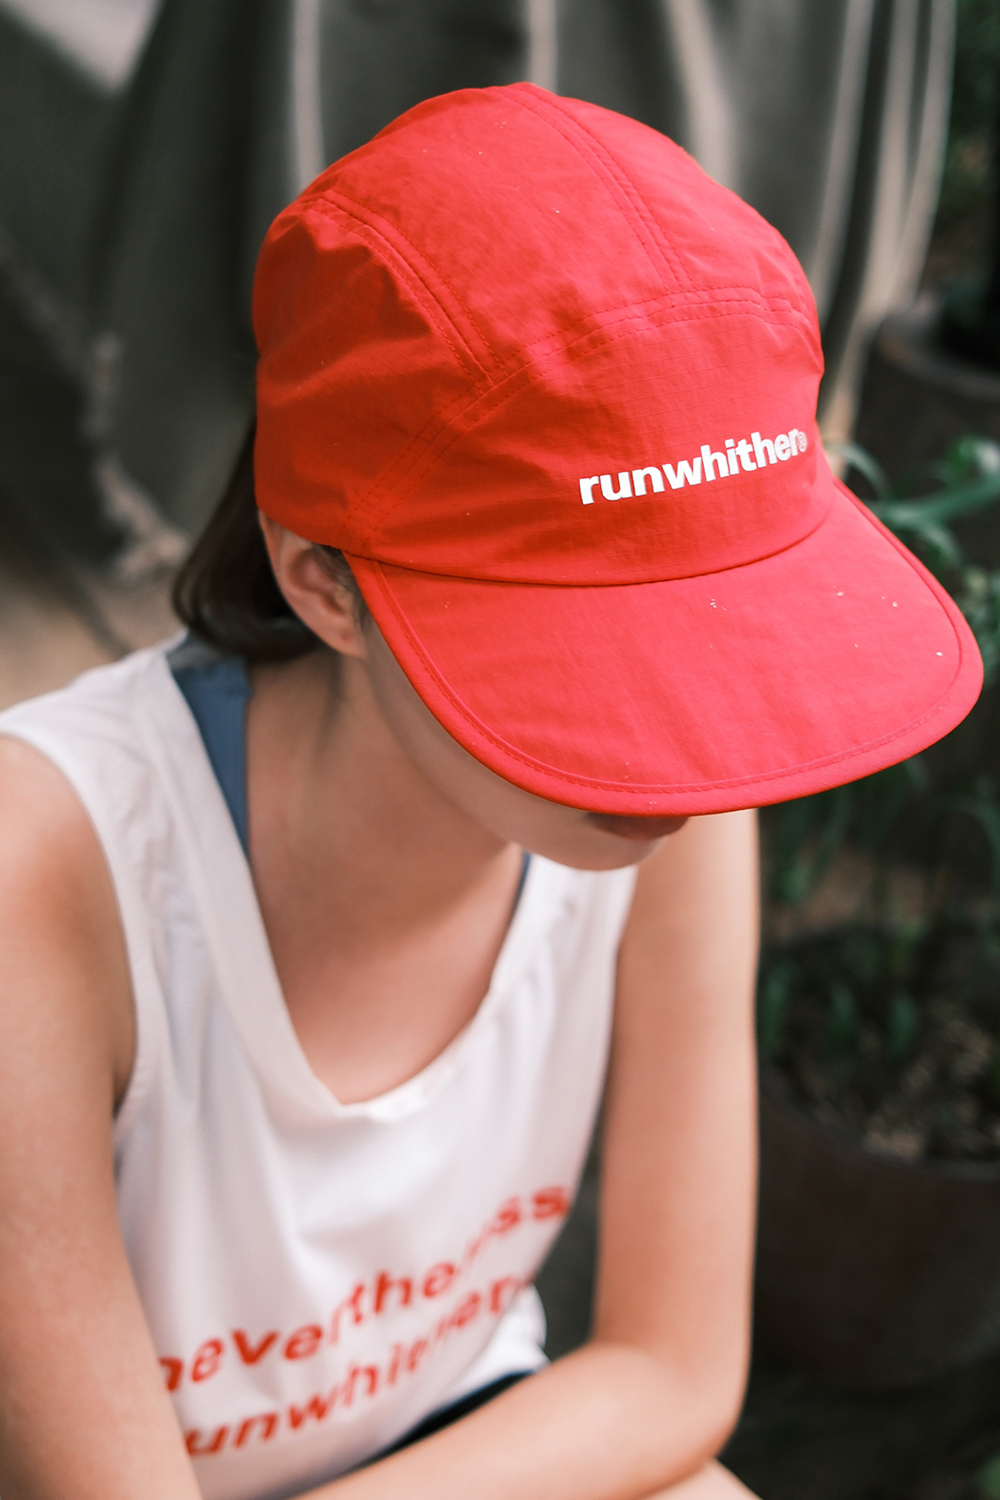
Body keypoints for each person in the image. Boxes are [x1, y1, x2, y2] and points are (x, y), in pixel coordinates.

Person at [0, 83, 981, 1500]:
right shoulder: (49, 879)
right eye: (597, 651)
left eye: (716, 631)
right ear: (322, 579)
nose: (682, 743)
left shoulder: (679, 798)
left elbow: (672, 1372)